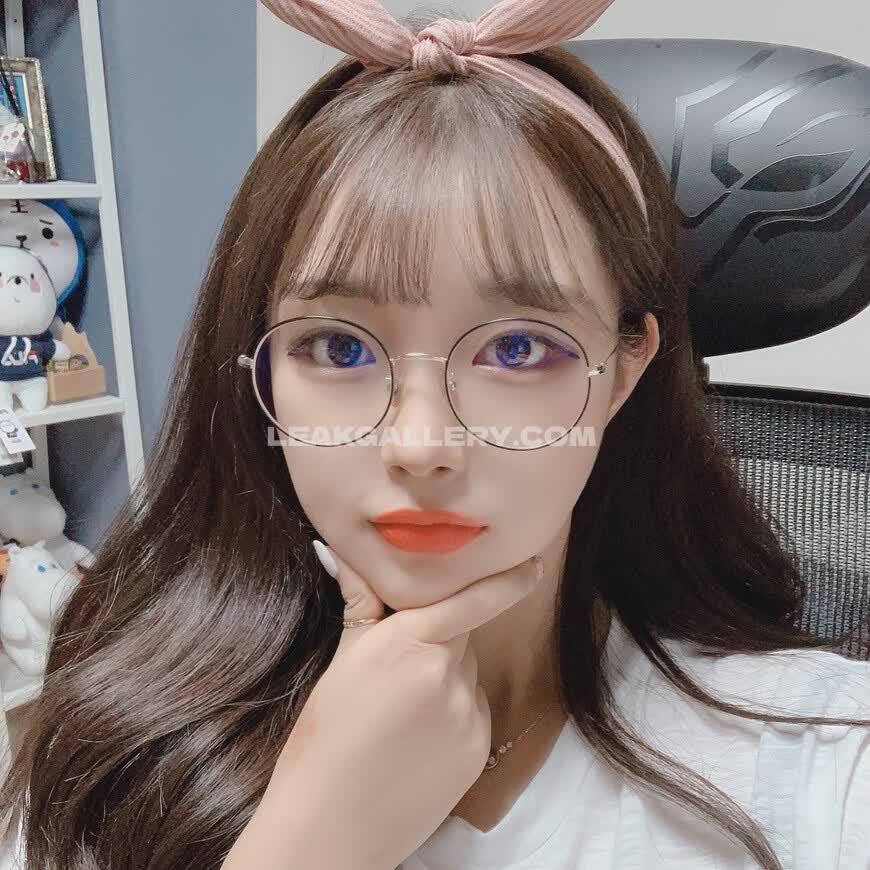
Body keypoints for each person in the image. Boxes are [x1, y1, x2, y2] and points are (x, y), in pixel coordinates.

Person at [0, 0, 868, 868]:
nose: (420, 445)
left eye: (518, 348)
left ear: (625, 368)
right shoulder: (118, 744)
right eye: (338, 348)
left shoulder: (819, 763)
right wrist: (311, 842)